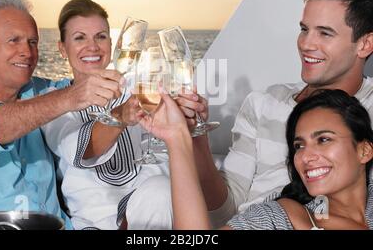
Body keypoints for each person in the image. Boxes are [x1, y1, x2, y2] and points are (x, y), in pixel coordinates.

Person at [126, 0, 373, 229]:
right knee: (154, 193)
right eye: (304, 29)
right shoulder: (264, 102)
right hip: (253, 222)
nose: (306, 44)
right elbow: (225, 209)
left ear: (365, 44)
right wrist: (193, 137)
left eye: (325, 33)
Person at [0, 0, 122, 228]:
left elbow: (84, 79)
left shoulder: (43, 91)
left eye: (33, 42)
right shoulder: (52, 98)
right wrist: (71, 97)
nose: (27, 52)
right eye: (14, 40)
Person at [144, 88, 373, 229]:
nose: (305, 156)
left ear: (365, 151)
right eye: (298, 145)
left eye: (323, 139)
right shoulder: (280, 218)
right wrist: (178, 139)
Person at [41, 0, 171, 229]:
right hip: (94, 222)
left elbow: (160, 153)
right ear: (62, 48)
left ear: (112, 44)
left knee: (160, 189)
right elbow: (83, 150)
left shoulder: (137, 92)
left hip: (149, 208)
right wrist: (121, 117)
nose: (93, 46)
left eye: (101, 36)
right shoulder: (54, 102)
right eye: (79, 38)